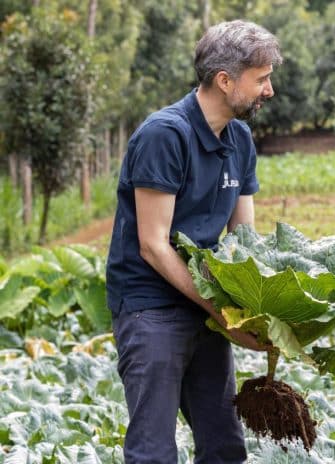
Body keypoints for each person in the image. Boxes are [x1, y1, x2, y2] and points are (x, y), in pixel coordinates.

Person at [105, 20, 282, 463]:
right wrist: (221, 313)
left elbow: (245, 242)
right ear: (225, 81)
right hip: (151, 307)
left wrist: (267, 313)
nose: (269, 90)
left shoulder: (239, 139)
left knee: (224, 446)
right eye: (261, 79)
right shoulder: (165, 135)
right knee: (154, 452)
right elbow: (152, 245)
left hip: (202, 307)